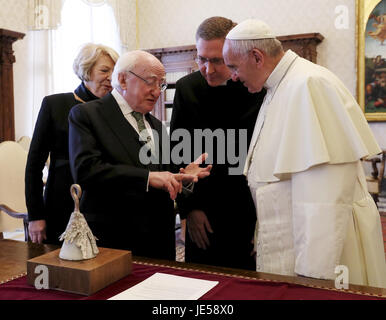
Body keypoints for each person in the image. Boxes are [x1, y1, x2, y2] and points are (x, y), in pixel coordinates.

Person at [223, 19, 386, 287]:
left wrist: (312, 278)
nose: (233, 76)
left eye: (233, 66)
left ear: (256, 57)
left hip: (321, 257)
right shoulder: (279, 86)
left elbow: (323, 198)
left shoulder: (308, 84)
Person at [68, 50, 211, 260]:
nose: (157, 92)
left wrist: (183, 175)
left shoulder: (155, 125)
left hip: (160, 241)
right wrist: (147, 178)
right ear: (123, 80)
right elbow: (86, 170)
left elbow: (164, 175)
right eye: (151, 82)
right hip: (116, 240)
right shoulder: (87, 115)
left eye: (161, 85)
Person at [170, 16, 265, 270]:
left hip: (248, 207)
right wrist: (190, 209)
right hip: (204, 210)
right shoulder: (186, 88)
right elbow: (179, 155)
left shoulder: (256, 87)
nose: (208, 69)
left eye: (217, 61)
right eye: (202, 59)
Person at [25, 43, 119, 245]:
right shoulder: (54, 105)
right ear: (86, 70)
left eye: (115, 71)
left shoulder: (116, 111)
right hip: (61, 204)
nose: (111, 77)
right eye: (104, 70)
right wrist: (35, 215)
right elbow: (34, 165)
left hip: (105, 209)